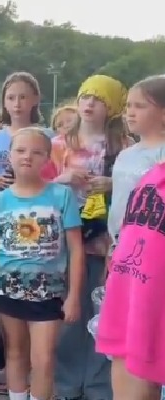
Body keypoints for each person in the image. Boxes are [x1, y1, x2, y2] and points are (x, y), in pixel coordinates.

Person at [0, 128, 84, 400]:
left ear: (47, 158)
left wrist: (74, 296)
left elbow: (76, 249)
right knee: (15, 353)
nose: (27, 156)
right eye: (20, 150)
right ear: (9, 156)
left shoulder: (62, 196)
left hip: (49, 293)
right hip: (7, 290)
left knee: (44, 359)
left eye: (37, 152)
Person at [51, 75, 132, 400]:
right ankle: (67, 384)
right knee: (69, 314)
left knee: (103, 314)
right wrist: (63, 178)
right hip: (65, 241)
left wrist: (113, 184)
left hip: (108, 243)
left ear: (111, 107)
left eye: (98, 99)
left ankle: (99, 385)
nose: (89, 103)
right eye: (85, 96)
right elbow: (35, 188)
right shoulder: (58, 145)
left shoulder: (124, 147)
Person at [97, 75, 165, 400]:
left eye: (140, 106)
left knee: (147, 343)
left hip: (155, 260)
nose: (130, 113)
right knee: (124, 344)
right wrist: (113, 248)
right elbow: (122, 209)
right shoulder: (126, 155)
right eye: (128, 106)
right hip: (125, 253)